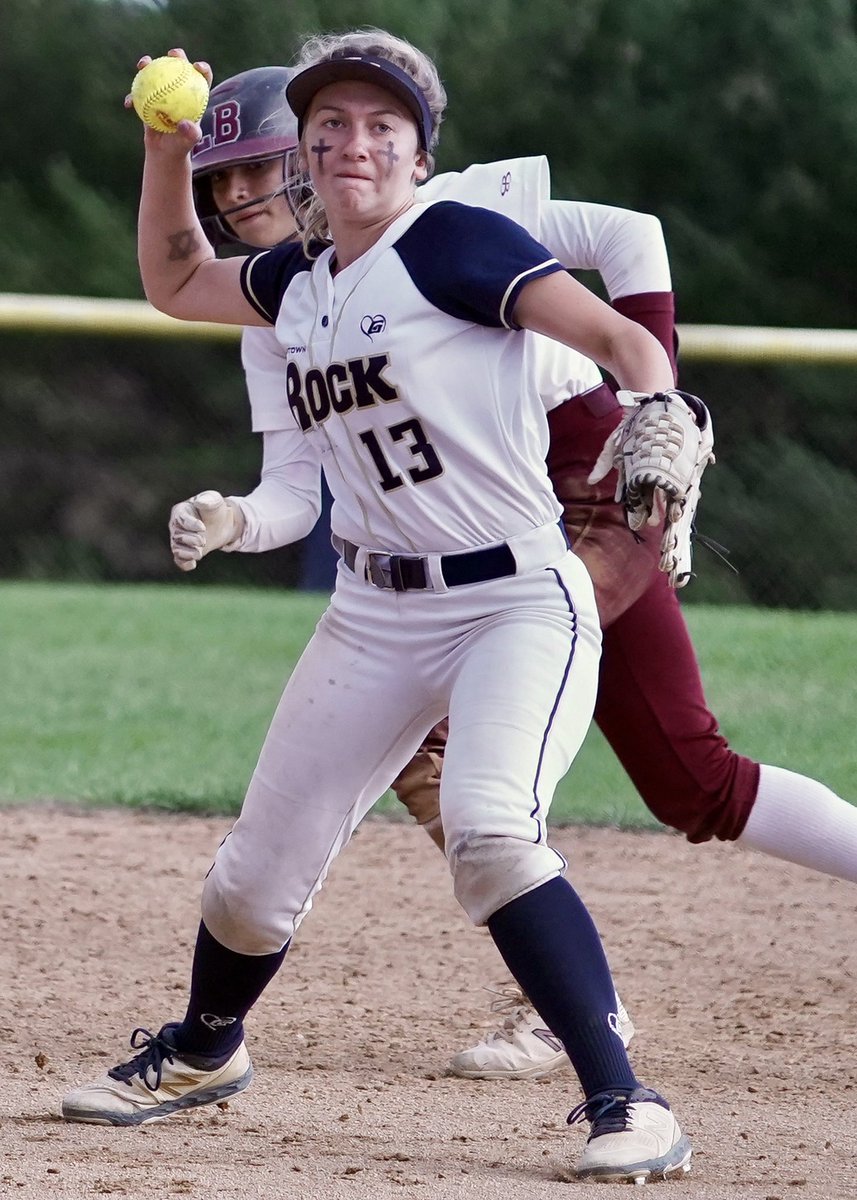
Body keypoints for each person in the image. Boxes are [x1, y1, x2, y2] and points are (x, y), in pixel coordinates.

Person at [60, 31, 696, 1185]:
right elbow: (169, 279)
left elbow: (612, 335)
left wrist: (661, 396)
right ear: (303, 154)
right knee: (252, 880)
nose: (354, 143)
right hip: (371, 611)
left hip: (510, 596)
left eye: (381, 127)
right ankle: (205, 1049)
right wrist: (163, 144)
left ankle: (626, 1101)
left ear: (418, 152)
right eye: (331, 127)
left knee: (492, 830)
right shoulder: (299, 279)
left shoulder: (452, 241)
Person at [178, 63, 857, 1086]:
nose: (241, 201)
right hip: (479, 526)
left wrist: (654, 413)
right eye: (221, 185)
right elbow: (294, 488)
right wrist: (234, 517)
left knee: (472, 763)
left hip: (585, 486)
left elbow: (628, 237)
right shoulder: (283, 308)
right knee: (689, 781)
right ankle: (572, 996)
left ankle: (572, 1018)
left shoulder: (436, 213)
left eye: (255, 171)